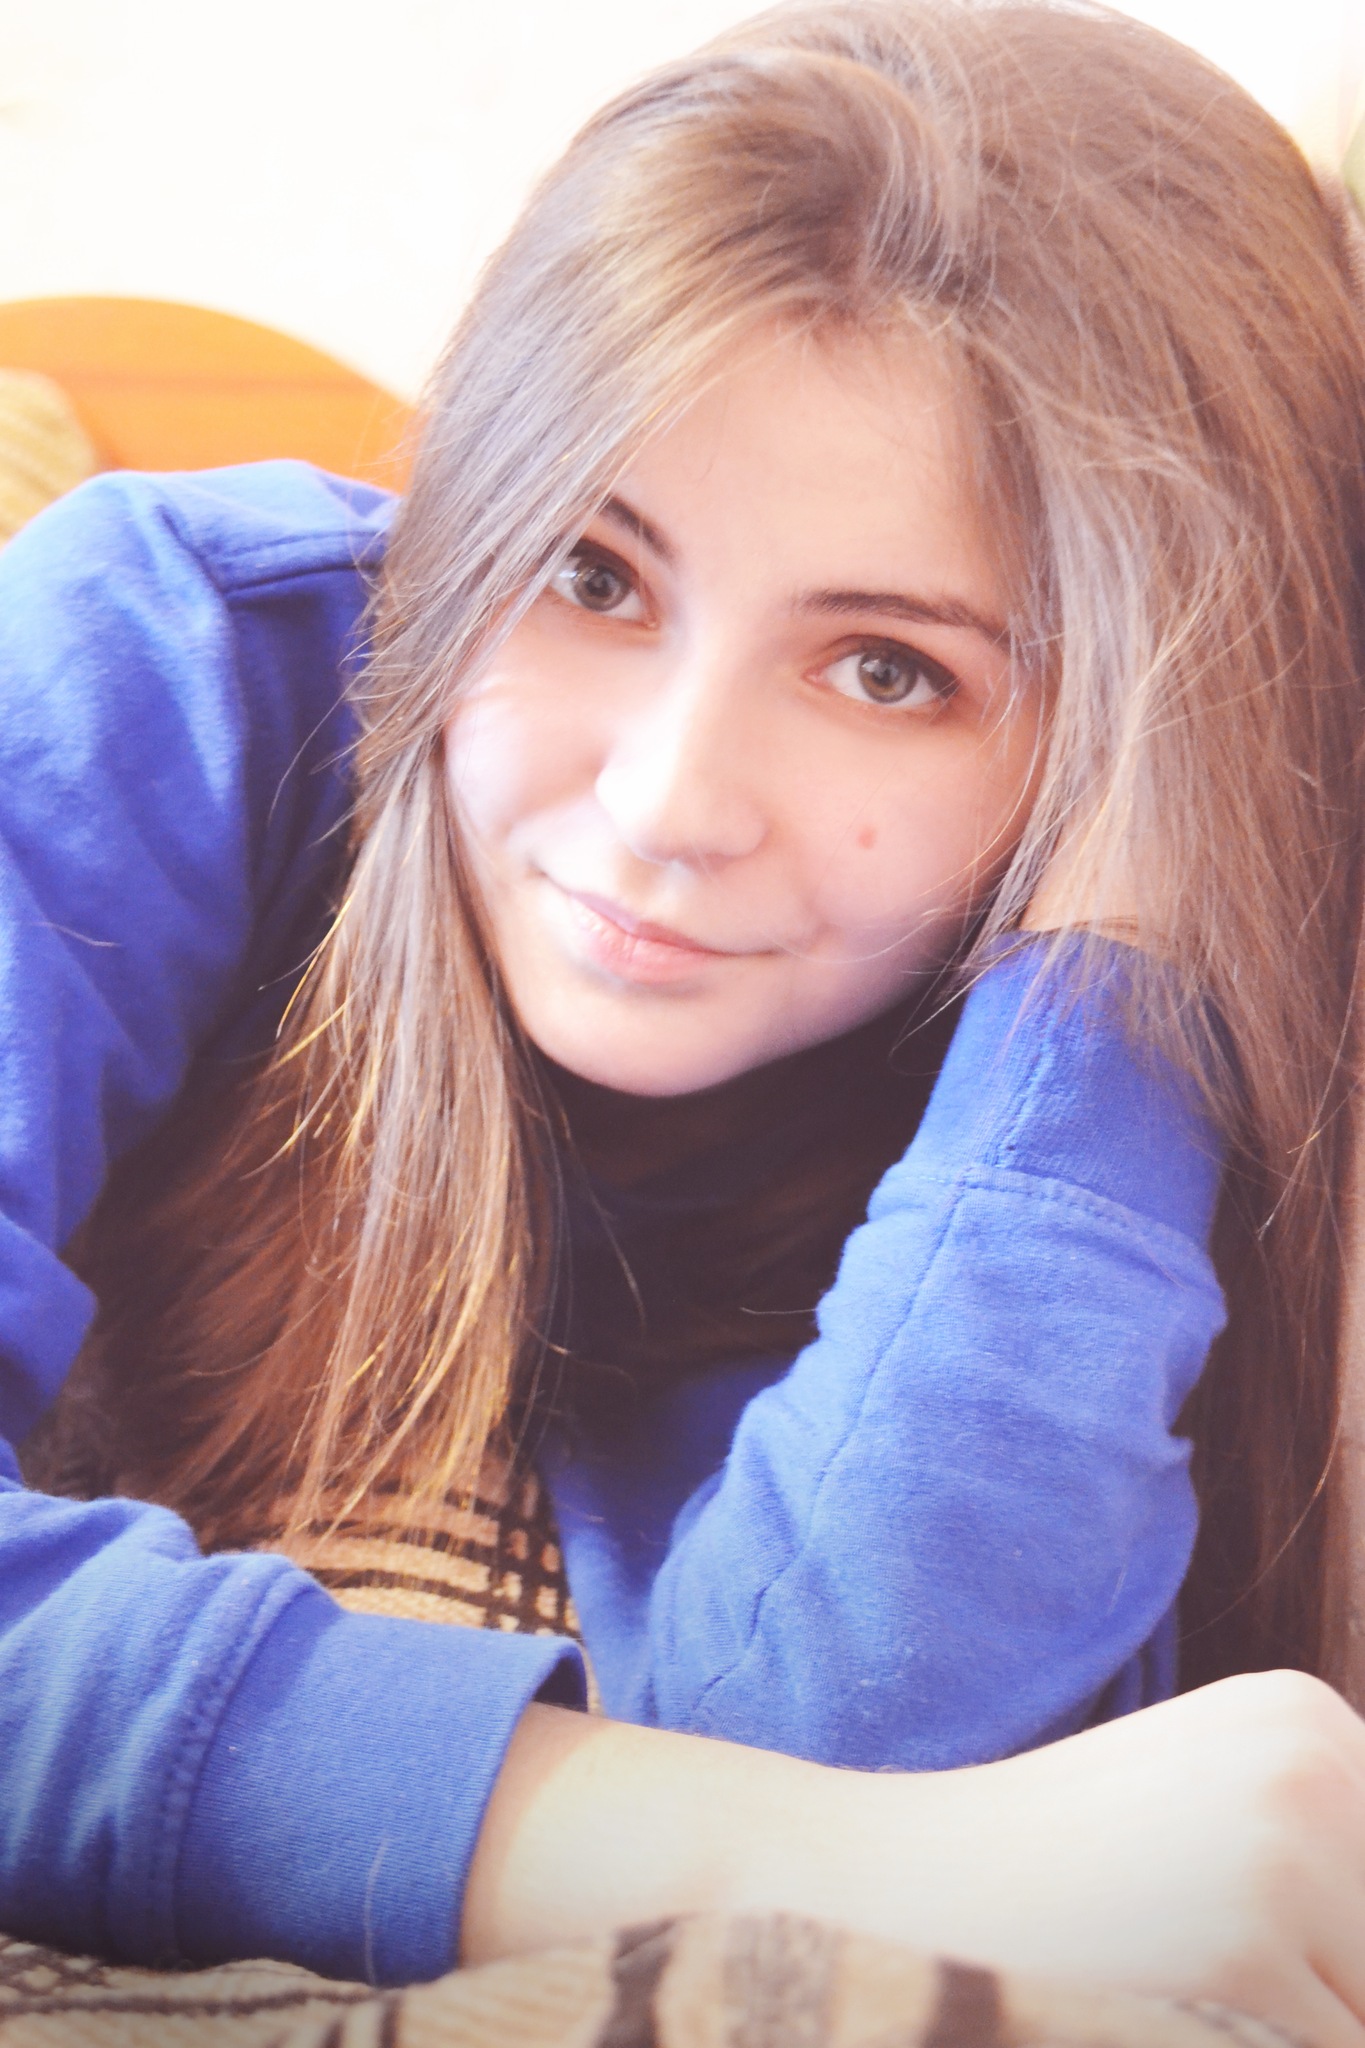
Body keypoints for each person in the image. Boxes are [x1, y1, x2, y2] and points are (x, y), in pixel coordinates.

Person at [1, 0, 1364, 2040]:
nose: (662, 803)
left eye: (889, 670)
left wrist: (1128, 954)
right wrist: (761, 1855)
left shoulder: (1088, 1002)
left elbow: (826, 1755)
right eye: (589, 570)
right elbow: (841, 1854)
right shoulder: (183, 656)